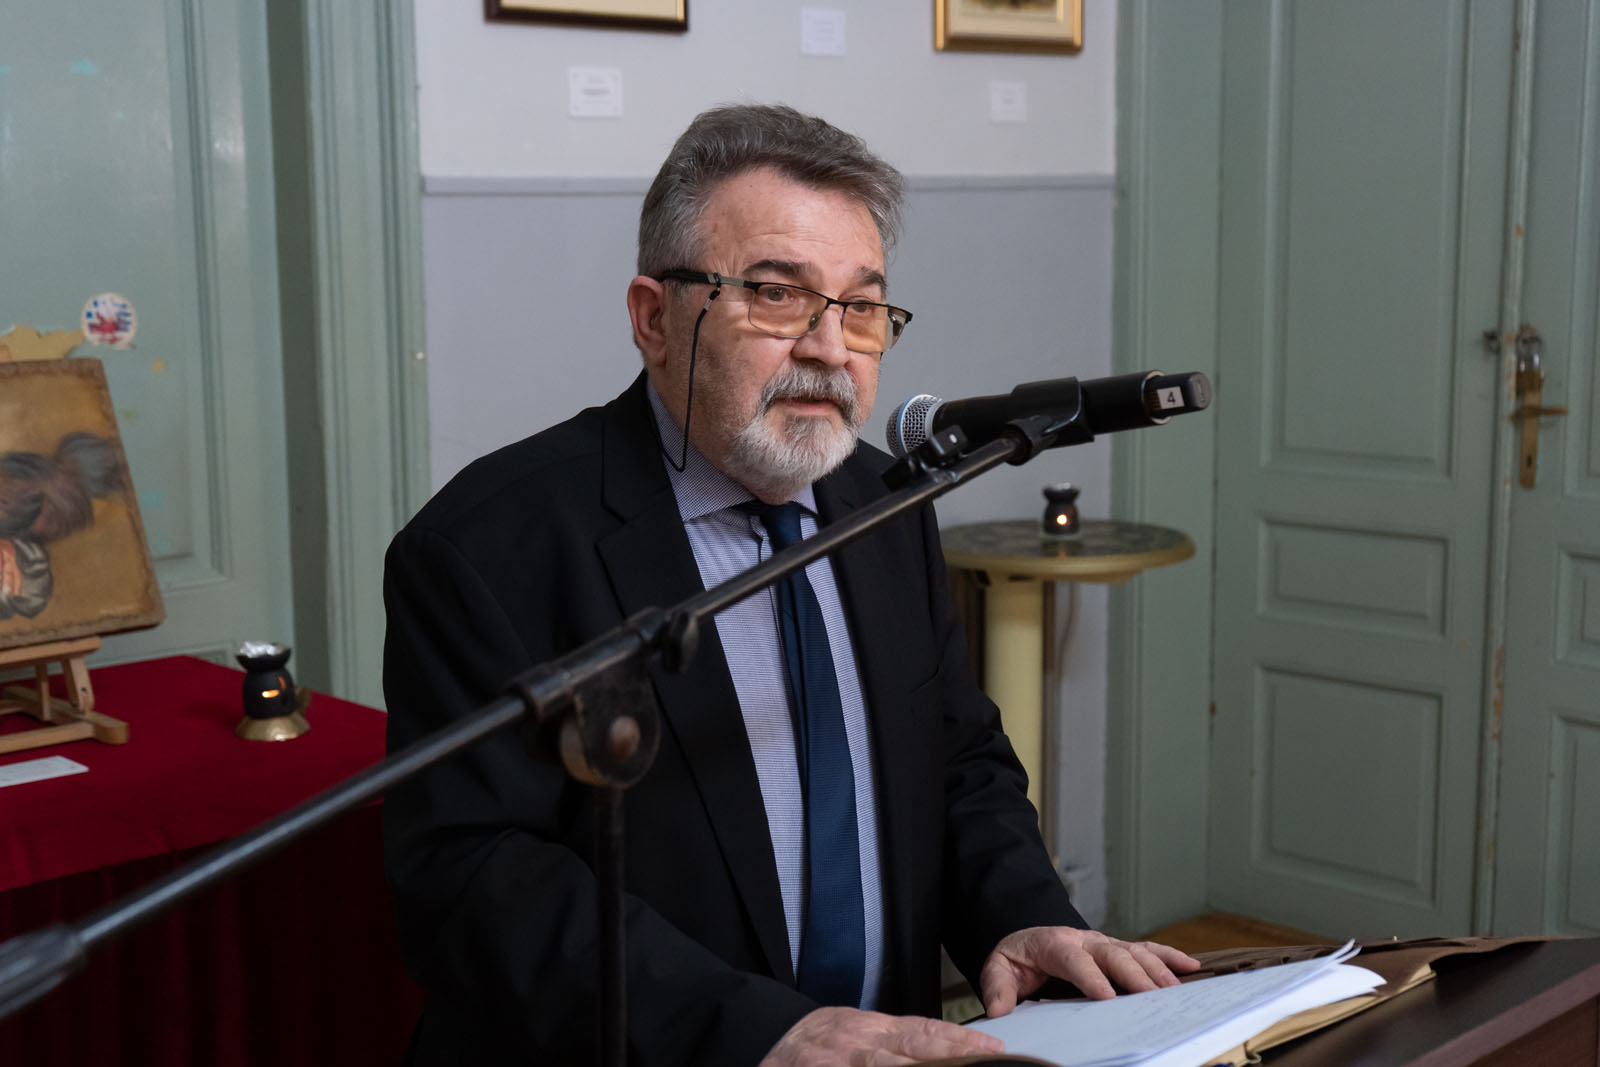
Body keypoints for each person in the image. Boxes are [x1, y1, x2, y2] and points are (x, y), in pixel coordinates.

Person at [382, 103, 1198, 1066]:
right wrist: (759, 1031)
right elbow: (475, 879)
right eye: (777, 295)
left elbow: (956, 757)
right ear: (654, 318)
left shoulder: (885, 502)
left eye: (861, 307)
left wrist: (1019, 913)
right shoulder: (485, 548)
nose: (830, 347)